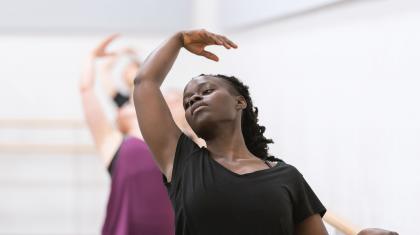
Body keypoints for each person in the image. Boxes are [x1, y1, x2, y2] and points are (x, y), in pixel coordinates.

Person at [132, 29, 399, 235]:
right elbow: (145, 83)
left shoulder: (287, 177)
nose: (195, 100)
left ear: (240, 102)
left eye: (207, 91)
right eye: (188, 101)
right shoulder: (183, 163)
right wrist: (178, 39)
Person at [79, 35, 188, 235]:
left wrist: (177, 44)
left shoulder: (176, 139)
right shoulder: (112, 143)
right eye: (127, 108)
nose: (131, 108)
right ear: (120, 120)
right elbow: (86, 91)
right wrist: (91, 58)